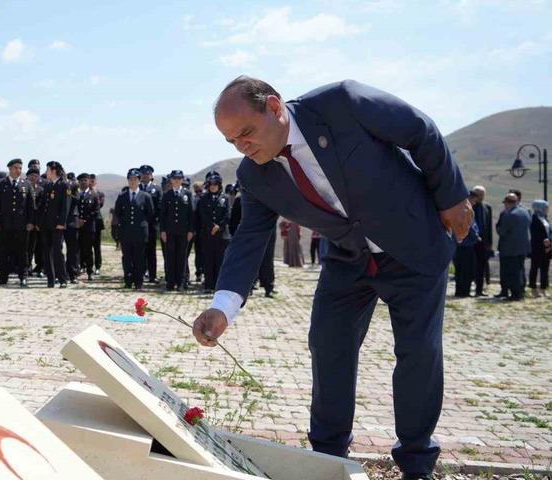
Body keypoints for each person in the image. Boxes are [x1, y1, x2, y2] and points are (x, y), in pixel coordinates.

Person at [193, 77, 473, 480]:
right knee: (328, 344)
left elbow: (419, 130)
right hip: (349, 259)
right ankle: (326, 457)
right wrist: (222, 308)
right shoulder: (255, 177)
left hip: (413, 244)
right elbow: (248, 241)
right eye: (232, 142)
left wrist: (451, 196)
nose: (242, 147)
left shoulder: (342, 103)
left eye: (247, 133)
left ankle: (416, 462)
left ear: (274, 108)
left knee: (418, 352)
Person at [0, 158, 35, 287]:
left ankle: (23, 276)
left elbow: (31, 206)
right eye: (16, 168)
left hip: (21, 225)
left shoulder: (26, 184)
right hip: (5, 224)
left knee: (22, 252)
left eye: (20, 168)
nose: (18, 170)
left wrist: (31, 221)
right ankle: (3, 277)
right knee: (3, 251)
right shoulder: (1, 183)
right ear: (9, 168)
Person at [115, 168, 153, 290]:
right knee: (127, 258)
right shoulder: (122, 196)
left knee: (139, 258)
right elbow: (118, 214)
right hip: (126, 232)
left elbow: (150, 214)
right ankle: (128, 280)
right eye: (130, 179)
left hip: (140, 233)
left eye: (135, 179)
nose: (132, 181)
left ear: (139, 180)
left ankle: (139, 282)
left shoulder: (145, 196)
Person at [36, 161, 70, 288]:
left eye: (48, 170)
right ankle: (51, 279)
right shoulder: (48, 185)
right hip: (46, 224)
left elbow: (65, 206)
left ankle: (62, 279)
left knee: (57, 252)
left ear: (54, 171)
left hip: (57, 225)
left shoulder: (64, 185)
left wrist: (62, 223)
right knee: (47, 252)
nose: (46, 172)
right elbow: (44, 206)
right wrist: (40, 222)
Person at [195, 173, 231, 293]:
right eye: (211, 184)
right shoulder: (204, 198)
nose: (213, 187)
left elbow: (227, 215)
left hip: (221, 235)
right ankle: (208, 284)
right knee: (208, 260)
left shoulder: (225, 198)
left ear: (219, 185)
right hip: (208, 234)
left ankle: (218, 285)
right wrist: (211, 226)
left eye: (215, 184)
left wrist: (219, 226)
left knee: (220, 260)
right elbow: (202, 215)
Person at [160, 170, 194, 291]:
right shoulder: (167, 195)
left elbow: (191, 213)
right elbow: (163, 215)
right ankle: (170, 282)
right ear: (171, 180)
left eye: (179, 178)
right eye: (174, 178)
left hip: (183, 232)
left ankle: (181, 282)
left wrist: (191, 230)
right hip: (170, 232)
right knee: (170, 257)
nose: (176, 181)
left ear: (182, 180)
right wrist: (163, 230)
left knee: (182, 257)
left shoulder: (188, 194)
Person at [497, 193, 531, 301]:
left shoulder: (510, 214)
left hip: (510, 248)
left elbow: (502, 231)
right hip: (522, 247)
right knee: (520, 270)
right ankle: (520, 292)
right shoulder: (525, 212)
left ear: (507, 203)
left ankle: (515, 294)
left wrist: (497, 228)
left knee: (512, 272)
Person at [453, 191, 481, 297]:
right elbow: (470, 227)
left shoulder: (457, 208)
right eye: (474, 200)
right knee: (467, 269)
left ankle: (459, 290)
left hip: (458, 244)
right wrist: (476, 237)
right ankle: (465, 291)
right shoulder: (467, 210)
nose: (474, 203)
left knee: (459, 269)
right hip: (467, 244)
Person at [139, 165, 162, 283]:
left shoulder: (156, 189)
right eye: (143, 174)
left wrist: (156, 222)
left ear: (151, 175)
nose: (145, 176)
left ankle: (153, 275)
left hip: (151, 225)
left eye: (147, 174)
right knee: (140, 251)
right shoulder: (136, 188)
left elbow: (159, 207)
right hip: (139, 226)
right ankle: (141, 274)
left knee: (151, 251)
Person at [76, 173, 100, 281]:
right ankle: (78, 269)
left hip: (89, 227)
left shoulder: (94, 195)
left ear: (89, 181)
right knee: (77, 249)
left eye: (85, 180)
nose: (83, 182)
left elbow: (96, 211)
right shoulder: (75, 194)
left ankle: (90, 271)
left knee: (88, 250)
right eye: (81, 180)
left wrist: (84, 220)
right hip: (76, 226)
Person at [470, 186, 493, 296]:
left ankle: (479, 290)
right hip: (471, 241)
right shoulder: (470, 206)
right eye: (479, 195)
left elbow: (489, 227)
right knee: (470, 265)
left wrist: (489, 242)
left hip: (483, 242)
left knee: (481, 266)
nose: (481, 197)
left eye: (483, 195)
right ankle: (466, 287)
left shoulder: (487, 207)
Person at [528, 199, 551, 297]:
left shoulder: (545, 218)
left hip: (547, 249)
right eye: (545, 207)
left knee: (545, 269)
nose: (547, 209)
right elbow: (535, 234)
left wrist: (549, 240)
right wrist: (543, 242)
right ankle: (533, 289)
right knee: (534, 268)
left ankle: (543, 288)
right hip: (537, 248)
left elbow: (550, 231)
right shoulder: (533, 219)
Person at [26, 167, 45, 277]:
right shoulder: (25, 188)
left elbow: (41, 207)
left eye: (35, 176)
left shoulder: (41, 190)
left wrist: (38, 223)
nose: (33, 178)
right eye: (31, 175)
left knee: (39, 248)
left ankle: (40, 268)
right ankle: (27, 267)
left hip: (37, 224)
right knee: (27, 248)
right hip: (27, 223)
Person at [89, 174, 105, 276]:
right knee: (86, 245)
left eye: (93, 181)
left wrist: (94, 192)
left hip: (97, 221)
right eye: (90, 181)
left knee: (96, 246)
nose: (91, 182)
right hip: (87, 222)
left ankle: (98, 266)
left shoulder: (100, 194)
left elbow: (99, 205)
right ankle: (86, 265)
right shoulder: (85, 193)